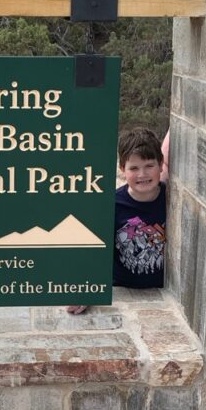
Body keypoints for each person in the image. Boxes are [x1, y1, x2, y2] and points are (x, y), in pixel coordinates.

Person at [68, 126, 166, 313]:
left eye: (149, 166)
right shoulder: (112, 205)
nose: (142, 174)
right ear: (122, 169)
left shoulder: (173, 201)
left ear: (161, 165)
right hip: (121, 289)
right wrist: (86, 293)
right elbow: (96, 255)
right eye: (134, 168)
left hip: (162, 290)